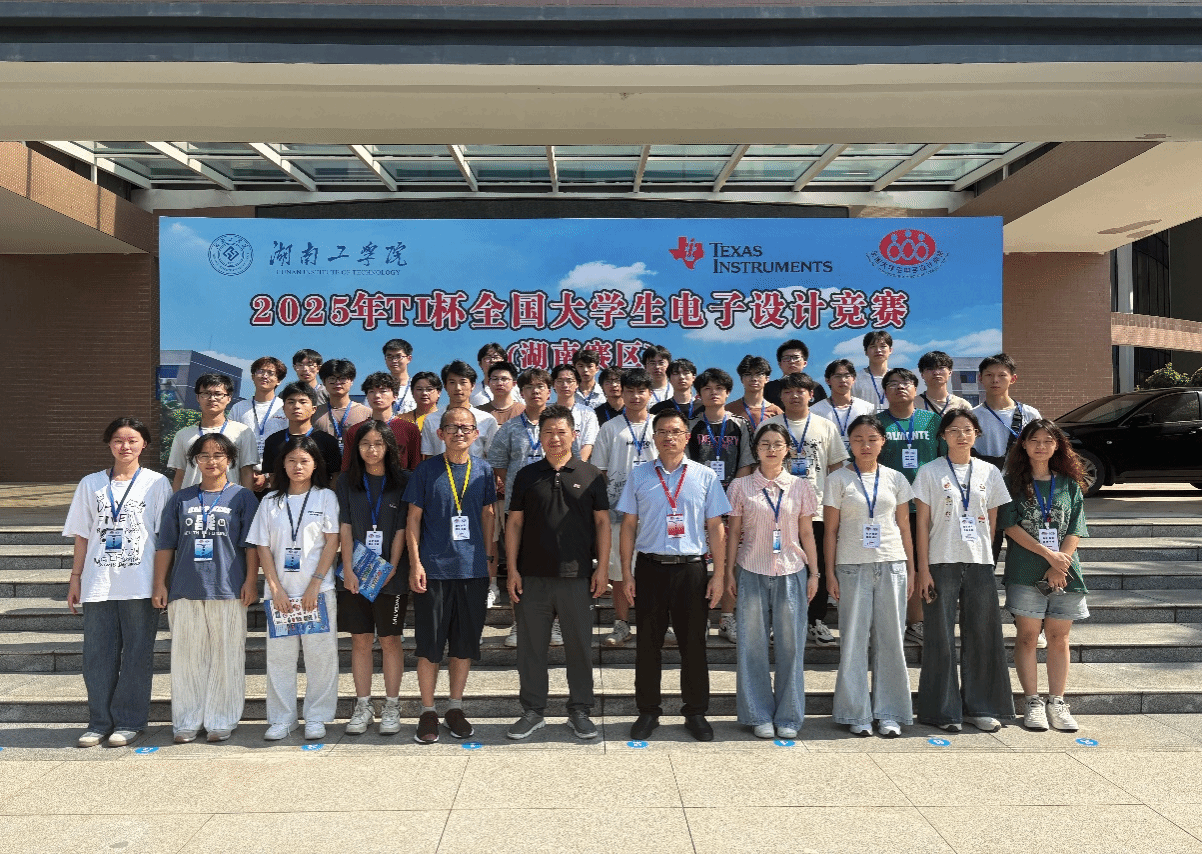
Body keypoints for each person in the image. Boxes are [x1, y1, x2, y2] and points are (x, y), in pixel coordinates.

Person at [619, 409, 730, 742]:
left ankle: (695, 712)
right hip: (650, 568)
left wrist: (718, 575)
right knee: (647, 645)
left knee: (693, 645)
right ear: (654, 438)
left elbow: (716, 527)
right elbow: (628, 526)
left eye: (676, 431)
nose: (669, 437)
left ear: (687, 437)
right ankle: (648, 711)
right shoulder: (639, 475)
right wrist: (626, 573)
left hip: (691, 570)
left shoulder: (704, 476)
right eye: (663, 432)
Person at [63, 417, 173, 748]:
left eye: (132, 440)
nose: (125, 446)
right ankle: (99, 722)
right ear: (109, 444)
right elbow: (82, 535)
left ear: (144, 444)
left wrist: (161, 583)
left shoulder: (157, 483)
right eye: (118, 440)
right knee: (97, 656)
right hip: (99, 581)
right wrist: (75, 578)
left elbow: (164, 538)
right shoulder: (91, 483)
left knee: (137, 655)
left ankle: (129, 721)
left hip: (140, 582)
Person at [505, 406, 610, 740]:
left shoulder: (591, 474)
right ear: (540, 436)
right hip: (532, 577)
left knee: (579, 648)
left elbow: (602, 523)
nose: (555, 438)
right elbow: (514, 523)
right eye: (548, 432)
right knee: (531, 649)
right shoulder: (526, 475)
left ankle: (579, 710)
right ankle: (533, 711)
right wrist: (512, 570)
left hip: (576, 576)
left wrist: (603, 568)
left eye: (561, 431)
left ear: (574, 435)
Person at [152, 432, 259, 744]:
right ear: (194, 461)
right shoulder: (181, 498)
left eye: (218, 455)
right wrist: (159, 584)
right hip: (185, 587)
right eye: (204, 456)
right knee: (187, 657)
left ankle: (221, 719)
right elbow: (166, 544)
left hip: (228, 587)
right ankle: (187, 721)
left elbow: (252, 545)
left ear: (230, 460)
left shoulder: (243, 497)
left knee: (227, 656)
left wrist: (251, 581)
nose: (211, 461)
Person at [912, 408, 1014, 733]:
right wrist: (923, 569)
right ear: (943, 436)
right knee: (939, 636)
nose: (961, 435)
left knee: (983, 633)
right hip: (940, 560)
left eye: (967, 430)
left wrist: (987, 558)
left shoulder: (989, 472)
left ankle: (980, 707)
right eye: (954, 430)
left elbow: (993, 524)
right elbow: (921, 524)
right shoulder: (929, 472)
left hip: (979, 561)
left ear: (976, 434)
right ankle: (942, 711)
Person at [404, 406, 498, 744]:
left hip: (472, 570)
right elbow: (413, 520)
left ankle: (455, 707)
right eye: (452, 427)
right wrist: (415, 563)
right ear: (440, 433)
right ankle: (428, 710)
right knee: (430, 645)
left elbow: (489, 516)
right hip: (434, 571)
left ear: (476, 433)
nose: (460, 432)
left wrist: (489, 559)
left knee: (463, 644)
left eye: (466, 427)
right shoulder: (426, 470)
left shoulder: (484, 470)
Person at [725, 423, 820, 739]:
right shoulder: (741, 486)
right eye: (764, 443)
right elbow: (733, 533)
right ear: (756, 449)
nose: (771, 449)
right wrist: (728, 571)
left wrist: (815, 573)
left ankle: (789, 716)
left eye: (778, 443)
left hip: (792, 571)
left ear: (787, 449)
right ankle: (757, 714)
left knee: (791, 646)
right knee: (751, 646)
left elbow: (807, 533)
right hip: (752, 569)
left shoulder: (800, 487)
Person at [823, 415, 915, 738]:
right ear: (849, 443)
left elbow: (904, 527)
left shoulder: (895, 478)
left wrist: (911, 569)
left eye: (872, 439)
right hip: (852, 567)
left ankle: (890, 713)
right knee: (853, 641)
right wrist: (830, 573)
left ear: (882, 442)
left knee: (891, 641)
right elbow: (830, 531)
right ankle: (855, 712)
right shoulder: (838, 480)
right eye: (858, 439)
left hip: (891, 563)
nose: (865, 445)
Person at [247, 435, 341, 741]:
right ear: (282, 465)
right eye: (291, 461)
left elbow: (332, 542)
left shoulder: (326, 497)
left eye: (304, 461)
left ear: (315, 465)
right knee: (280, 659)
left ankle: (317, 717)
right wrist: (274, 588)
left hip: (317, 592)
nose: (297, 466)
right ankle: (282, 719)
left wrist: (315, 583)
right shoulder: (270, 502)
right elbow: (262, 546)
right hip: (280, 596)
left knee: (320, 658)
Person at [999, 419, 1090, 733]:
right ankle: (1032, 702)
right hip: (1025, 570)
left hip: (1065, 572)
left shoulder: (1068, 483)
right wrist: (1048, 555)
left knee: (1058, 638)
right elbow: (1009, 526)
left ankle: (1057, 701)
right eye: (1034, 440)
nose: (1041, 446)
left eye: (1048, 440)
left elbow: (1076, 527)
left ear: (1057, 446)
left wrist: (1059, 563)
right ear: (1023, 444)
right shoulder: (1012, 482)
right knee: (1027, 637)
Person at [763, 372, 849, 646]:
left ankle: (815, 620)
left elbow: (836, 467)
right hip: (778, 510)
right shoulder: (769, 426)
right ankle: (780, 621)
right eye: (788, 391)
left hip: (818, 510)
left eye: (800, 391)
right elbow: (760, 466)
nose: (794, 396)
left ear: (811, 395)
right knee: (779, 565)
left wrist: (836, 505)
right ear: (781, 396)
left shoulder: (825, 426)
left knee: (817, 565)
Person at [338, 421, 410, 737]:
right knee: (361, 639)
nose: (372, 449)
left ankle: (392, 705)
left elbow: (402, 527)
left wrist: (392, 565)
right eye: (365, 443)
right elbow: (344, 526)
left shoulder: (403, 480)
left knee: (390, 639)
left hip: (391, 574)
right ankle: (363, 705)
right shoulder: (346, 481)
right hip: (356, 571)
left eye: (379, 443)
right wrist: (348, 569)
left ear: (389, 447)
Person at [592, 367, 658, 648]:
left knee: (656, 571)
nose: (635, 396)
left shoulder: (661, 425)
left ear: (650, 394)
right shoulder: (610, 428)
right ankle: (621, 623)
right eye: (630, 391)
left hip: (657, 512)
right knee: (619, 572)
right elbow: (600, 471)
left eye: (641, 391)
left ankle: (653, 623)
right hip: (619, 511)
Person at [877, 367, 943, 645]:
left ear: (916, 389)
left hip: (928, 506)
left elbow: (945, 459)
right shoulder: (876, 422)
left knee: (924, 563)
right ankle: (898, 621)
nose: (900, 387)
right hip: (889, 507)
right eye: (892, 383)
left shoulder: (932, 421)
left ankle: (919, 621)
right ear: (885, 391)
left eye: (906, 382)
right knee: (899, 565)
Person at [689, 366, 754, 643]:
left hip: (732, 504)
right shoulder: (691, 425)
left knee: (729, 563)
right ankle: (699, 617)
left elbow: (746, 463)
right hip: (699, 505)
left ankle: (727, 618)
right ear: (699, 394)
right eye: (707, 389)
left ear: (728, 393)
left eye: (719, 388)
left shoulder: (740, 424)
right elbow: (686, 466)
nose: (713, 393)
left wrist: (731, 498)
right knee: (698, 563)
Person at [488, 368, 553, 629]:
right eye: (529, 387)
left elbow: (571, 458)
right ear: (521, 392)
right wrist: (519, 484)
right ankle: (520, 623)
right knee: (519, 566)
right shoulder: (511, 427)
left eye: (540, 386)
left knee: (553, 566)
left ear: (549, 392)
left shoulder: (559, 425)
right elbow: (498, 463)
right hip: (518, 508)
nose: (535, 391)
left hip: (554, 506)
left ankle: (554, 623)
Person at [167, 373, 256, 492]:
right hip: (190, 500)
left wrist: (246, 500)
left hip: (230, 500)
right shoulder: (183, 435)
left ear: (229, 398)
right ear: (198, 397)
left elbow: (246, 472)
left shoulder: (243, 432)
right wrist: (175, 501)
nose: (212, 398)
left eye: (218, 394)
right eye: (206, 393)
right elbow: (180, 474)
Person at [260, 382, 343, 486]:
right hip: (284, 495)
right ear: (284, 408)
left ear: (314, 409)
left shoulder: (327, 441)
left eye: (303, 402)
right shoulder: (273, 441)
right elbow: (273, 476)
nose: (296, 406)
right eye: (291, 402)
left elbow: (335, 476)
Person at [228, 356, 290, 494]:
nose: (265, 376)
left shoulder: (285, 407)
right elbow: (229, 443)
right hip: (242, 478)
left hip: (277, 479)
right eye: (261, 371)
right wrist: (248, 473)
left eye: (271, 373)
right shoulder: (238, 408)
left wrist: (267, 476)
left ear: (279, 380)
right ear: (253, 376)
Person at [339, 372, 421, 472]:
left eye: (383, 391)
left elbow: (415, 467)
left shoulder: (410, 429)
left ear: (395, 396)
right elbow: (347, 468)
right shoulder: (355, 430)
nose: (377, 395)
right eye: (371, 391)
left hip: (400, 481)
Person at [973, 353, 1041, 469]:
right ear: (980, 378)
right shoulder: (971, 416)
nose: (995, 380)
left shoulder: (1030, 414)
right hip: (984, 477)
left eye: (1002, 375)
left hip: (1020, 476)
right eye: (989, 375)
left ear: (1013, 379)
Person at [420, 361, 499, 459]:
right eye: (452, 382)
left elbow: (493, 458)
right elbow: (428, 456)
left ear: (473, 386)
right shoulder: (431, 419)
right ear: (445, 386)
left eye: (463, 382)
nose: (458, 388)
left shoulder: (487, 420)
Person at [812, 359, 874, 454]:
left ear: (853, 379)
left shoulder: (867, 408)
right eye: (837, 376)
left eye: (847, 376)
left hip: (859, 460)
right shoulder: (815, 410)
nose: (843, 380)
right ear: (828, 380)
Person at [314, 358, 372, 455]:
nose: (337, 383)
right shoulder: (314, 413)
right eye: (332, 379)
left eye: (343, 378)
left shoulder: (367, 413)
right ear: (324, 382)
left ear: (351, 381)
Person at [550, 363, 599, 461]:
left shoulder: (588, 413)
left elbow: (588, 444)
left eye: (569, 381)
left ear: (577, 384)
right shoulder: (547, 412)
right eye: (560, 381)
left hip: (579, 467)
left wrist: (576, 467)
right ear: (553, 385)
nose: (565, 385)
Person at [727, 354, 783, 433]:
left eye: (759, 374)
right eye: (748, 374)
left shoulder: (776, 412)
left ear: (767, 379)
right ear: (741, 379)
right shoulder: (729, 410)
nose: (754, 379)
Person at [764, 339, 827, 407]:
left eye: (796, 357)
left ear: (805, 363)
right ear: (780, 364)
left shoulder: (816, 387)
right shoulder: (769, 388)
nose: (792, 361)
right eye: (786, 358)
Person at [916, 351, 971, 416]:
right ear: (922, 374)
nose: (936, 372)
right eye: (930, 369)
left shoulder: (962, 405)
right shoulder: (912, 404)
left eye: (941, 368)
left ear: (950, 372)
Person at [851, 331, 892, 411]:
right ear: (866, 352)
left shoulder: (898, 378)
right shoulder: (855, 379)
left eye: (883, 346)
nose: (878, 350)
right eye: (873, 346)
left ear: (890, 350)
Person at [478, 361, 524, 426]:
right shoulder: (479, 412)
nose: (499, 383)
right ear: (488, 383)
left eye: (504, 379)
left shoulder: (524, 411)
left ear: (514, 384)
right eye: (495, 379)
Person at [382, 338, 417, 415]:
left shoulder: (417, 387)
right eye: (389, 357)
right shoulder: (378, 388)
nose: (394, 361)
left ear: (409, 358)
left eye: (398, 356)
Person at [471, 342, 512, 407]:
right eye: (488, 357)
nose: (492, 360)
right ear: (480, 364)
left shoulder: (516, 389)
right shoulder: (472, 391)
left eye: (496, 357)